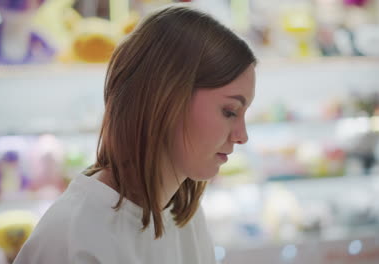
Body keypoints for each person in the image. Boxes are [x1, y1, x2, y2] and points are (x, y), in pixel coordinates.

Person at [13, 4, 256, 264]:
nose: (242, 136)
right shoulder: (70, 239)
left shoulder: (183, 215)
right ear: (165, 98)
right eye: (230, 111)